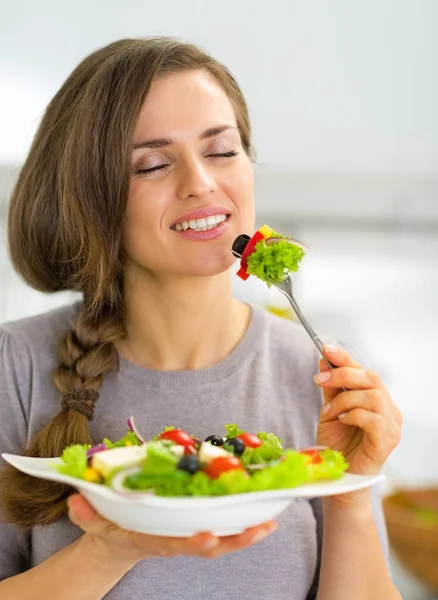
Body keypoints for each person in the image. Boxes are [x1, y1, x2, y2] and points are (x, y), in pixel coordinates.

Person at [0, 37, 402, 600]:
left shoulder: (318, 374)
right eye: (154, 164)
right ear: (92, 199)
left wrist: (350, 489)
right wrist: (108, 550)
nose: (201, 183)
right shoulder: (15, 368)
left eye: (222, 151)